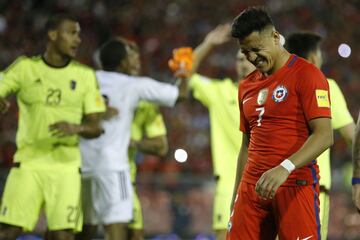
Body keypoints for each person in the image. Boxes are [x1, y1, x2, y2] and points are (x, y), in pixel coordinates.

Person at [227, 6, 333, 240]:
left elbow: (324, 135)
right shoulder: (246, 85)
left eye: (256, 49)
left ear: (275, 37)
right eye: (246, 53)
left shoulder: (308, 75)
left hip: (295, 184)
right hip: (253, 189)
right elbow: (247, 144)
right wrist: (236, 197)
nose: (252, 58)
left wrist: (284, 168)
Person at [0, 14, 105, 240]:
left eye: (79, 34)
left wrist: (75, 128)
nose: (78, 39)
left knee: (62, 236)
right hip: (28, 164)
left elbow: (97, 128)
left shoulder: (85, 76)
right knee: (8, 231)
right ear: (53, 35)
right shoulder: (25, 68)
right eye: (71, 33)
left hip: (67, 168)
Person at [78, 37, 188, 240]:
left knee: (87, 226)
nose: (136, 60)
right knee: (117, 225)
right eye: (131, 56)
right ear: (122, 62)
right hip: (113, 167)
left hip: (81, 165)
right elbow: (180, 95)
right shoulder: (133, 85)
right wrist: (183, 70)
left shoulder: (86, 78)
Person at [172, 24, 255, 240]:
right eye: (238, 59)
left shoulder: (272, 93)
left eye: (247, 57)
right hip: (228, 184)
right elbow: (185, 75)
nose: (242, 63)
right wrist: (208, 44)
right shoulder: (220, 92)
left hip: (263, 182)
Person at [285, 31, 355, 238]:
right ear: (314, 57)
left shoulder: (276, 87)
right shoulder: (326, 85)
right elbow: (352, 136)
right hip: (312, 189)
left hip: (278, 185)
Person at [127, 101, 169, 240]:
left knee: (135, 233)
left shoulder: (145, 100)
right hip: (92, 172)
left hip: (127, 183)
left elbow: (162, 147)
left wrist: (133, 143)